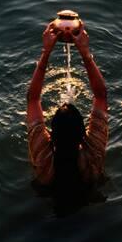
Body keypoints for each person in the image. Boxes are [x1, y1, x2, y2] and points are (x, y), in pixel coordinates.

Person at [26, 21, 109, 206]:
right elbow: (101, 95)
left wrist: (46, 51)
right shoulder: (92, 155)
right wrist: (86, 54)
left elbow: (32, 99)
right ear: (83, 134)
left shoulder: (43, 159)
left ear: (51, 135)